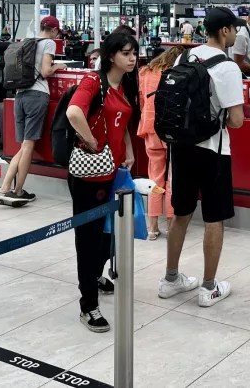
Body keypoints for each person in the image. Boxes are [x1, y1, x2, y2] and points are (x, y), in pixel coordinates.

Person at [160, 7, 244, 308]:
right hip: (213, 150)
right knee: (213, 217)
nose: (236, 33)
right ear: (224, 31)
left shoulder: (185, 57)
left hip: (181, 147)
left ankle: (170, 279)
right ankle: (209, 287)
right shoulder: (227, 67)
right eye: (235, 28)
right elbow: (236, 120)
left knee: (181, 212)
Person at [65, 33, 139, 332]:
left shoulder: (126, 84)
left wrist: (129, 150)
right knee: (89, 236)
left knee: (109, 232)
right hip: (91, 173)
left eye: (134, 52)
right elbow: (73, 112)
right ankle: (88, 305)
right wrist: (92, 140)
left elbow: (122, 122)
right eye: (126, 53)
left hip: (116, 171)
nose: (132, 58)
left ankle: (95, 275)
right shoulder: (93, 82)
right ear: (111, 56)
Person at [0, 16, 67, 207]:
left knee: (23, 146)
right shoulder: (49, 43)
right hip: (37, 95)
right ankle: (16, 191)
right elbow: (45, 71)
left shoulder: (27, 41)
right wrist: (57, 66)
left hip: (19, 96)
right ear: (53, 30)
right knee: (28, 146)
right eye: (57, 32)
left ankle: (5, 187)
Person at [138, 45, 182, 239]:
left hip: (150, 128)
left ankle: (153, 228)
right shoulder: (177, 73)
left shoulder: (145, 72)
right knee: (173, 178)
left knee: (155, 177)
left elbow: (141, 101)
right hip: (172, 130)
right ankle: (172, 226)